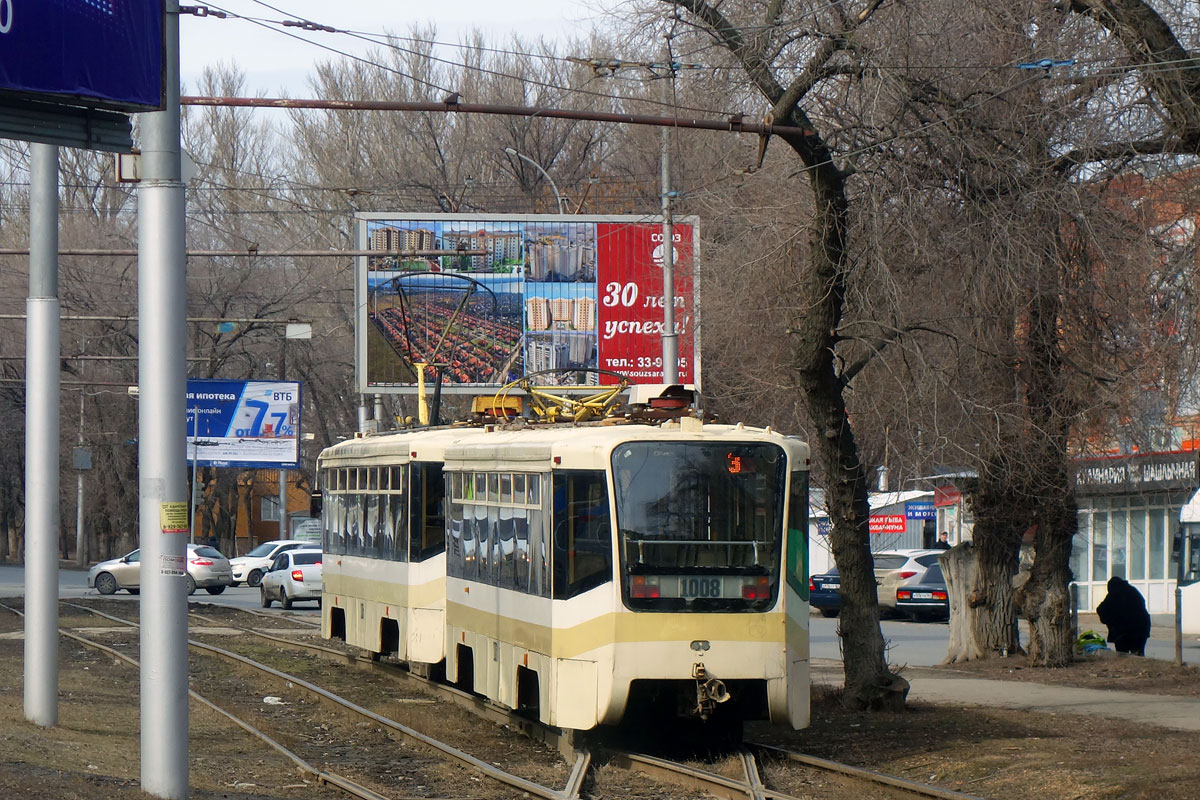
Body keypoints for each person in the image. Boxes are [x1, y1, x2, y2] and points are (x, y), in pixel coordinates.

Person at [1096, 576, 1151, 656]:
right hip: (1142, 628)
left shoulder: (1114, 593)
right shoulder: (1133, 590)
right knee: (1138, 654)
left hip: (1124, 632)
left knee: (1122, 655)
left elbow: (1101, 609)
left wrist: (1108, 621)